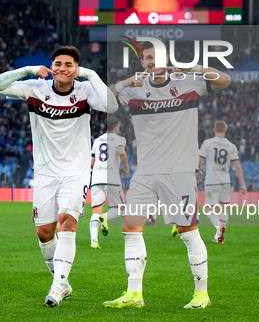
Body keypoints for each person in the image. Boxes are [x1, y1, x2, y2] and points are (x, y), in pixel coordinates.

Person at [104, 39, 231, 309]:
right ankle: (134, 293)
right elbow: (103, 101)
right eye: (147, 58)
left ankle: (201, 293)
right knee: (130, 229)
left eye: (156, 57)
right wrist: (127, 82)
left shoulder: (188, 83)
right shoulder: (135, 89)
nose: (152, 62)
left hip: (179, 171)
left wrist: (192, 67)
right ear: (142, 63)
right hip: (145, 172)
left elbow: (225, 80)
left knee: (187, 231)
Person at [0, 45, 117, 307]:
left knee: (66, 222)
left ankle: (57, 287)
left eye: (69, 65)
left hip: (76, 171)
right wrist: (26, 70)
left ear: (76, 68)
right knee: (44, 233)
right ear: (51, 66)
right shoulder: (35, 88)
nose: (62, 68)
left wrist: (90, 75)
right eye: (58, 63)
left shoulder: (85, 91)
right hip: (45, 172)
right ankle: (63, 282)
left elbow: (111, 104)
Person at [196, 120, 247, 244]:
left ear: (214, 130)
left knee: (209, 208)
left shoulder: (207, 143)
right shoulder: (231, 146)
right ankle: (219, 235)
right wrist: (243, 185)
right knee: (224, 208)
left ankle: (219, 229)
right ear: (225, 130)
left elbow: (199, 161)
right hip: (225, 181)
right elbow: (238, 167)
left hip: (212, 181)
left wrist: (199, 170)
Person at [89, 116, 129, 249]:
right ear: (116, 127)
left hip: (96, 179)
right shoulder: (119, 139)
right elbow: (121, 152)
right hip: (111, 179)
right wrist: (126, 167)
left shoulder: (97, 140)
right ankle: (105, 217)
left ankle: (94, 241)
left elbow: (92, 162)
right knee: (120, 208)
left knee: (96, 210)